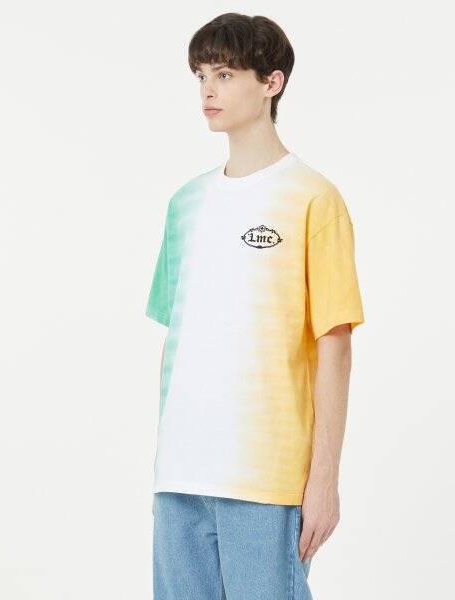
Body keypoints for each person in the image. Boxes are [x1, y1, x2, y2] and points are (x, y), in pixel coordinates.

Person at [145, 12, 365, 600]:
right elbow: (176, 340)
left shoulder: (313, 198)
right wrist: (164, 463)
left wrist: (324, 480)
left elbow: (335, 343)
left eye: (224, 74)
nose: (208, 90)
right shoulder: (185, 203)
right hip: (181, 476)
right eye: (200, 75)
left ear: (272, 82)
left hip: (266, 478)